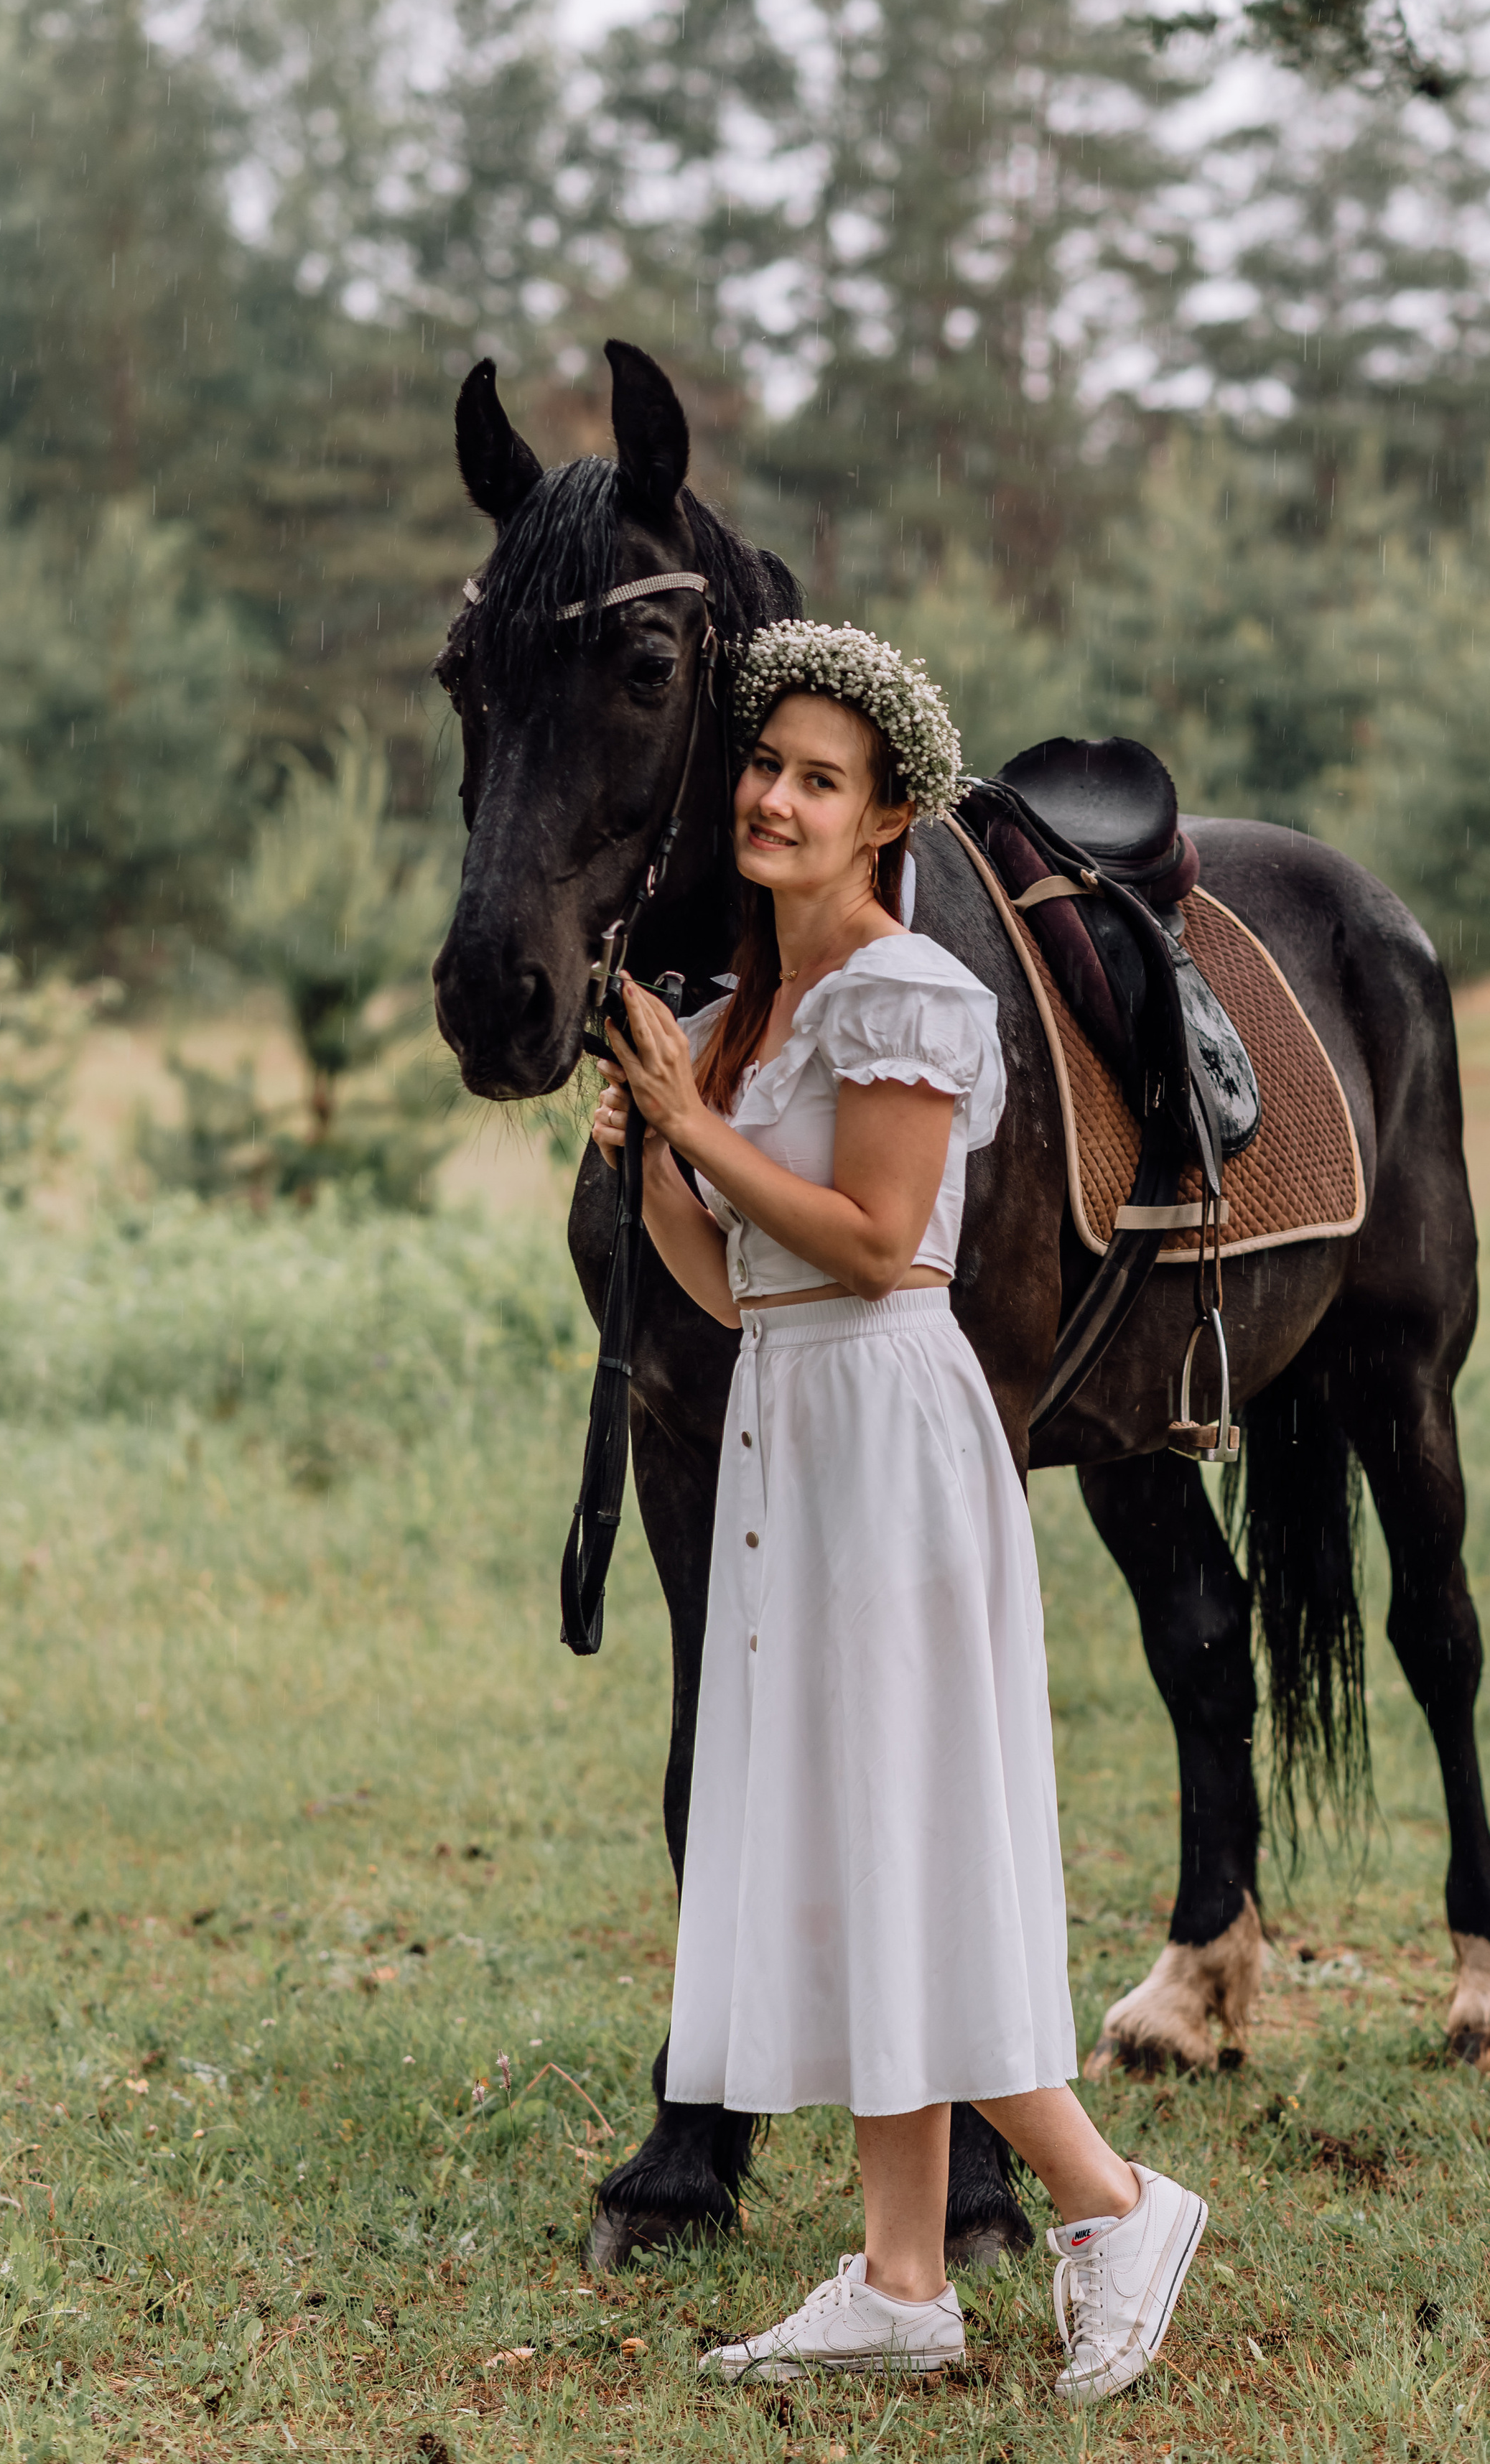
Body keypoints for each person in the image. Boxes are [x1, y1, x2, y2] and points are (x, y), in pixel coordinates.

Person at [592, 620, 1206, 2402]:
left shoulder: (905, 995)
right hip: (795, 1409)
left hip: (892, 1423)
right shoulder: (748, 1015)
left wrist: (689, 1127)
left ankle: (1107, 2198)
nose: (773, 799)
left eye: (819, 780)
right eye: (763, 766)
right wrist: (654, 1142)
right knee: (851, 1834)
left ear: (885, 821)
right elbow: (733, 1293)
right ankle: (901, 2275)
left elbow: (870, 1241)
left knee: (909, 1832)